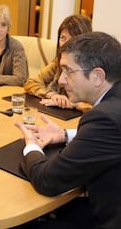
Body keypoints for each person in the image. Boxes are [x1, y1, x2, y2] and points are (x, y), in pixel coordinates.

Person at [15, 32, 121, 228]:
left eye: (68, 71)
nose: (61, 81)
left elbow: (47, 180)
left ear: (97, 76)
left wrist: (31, 146)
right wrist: (65, 135)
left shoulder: (104, 118)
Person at [24, 14, 93, 112]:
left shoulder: (92, 69)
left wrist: (72, 103)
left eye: (72, 39)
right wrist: (52, 95)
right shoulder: (58, 62)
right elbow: (31, 82)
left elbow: (98, 105)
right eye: (62, 38)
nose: (65, 44)